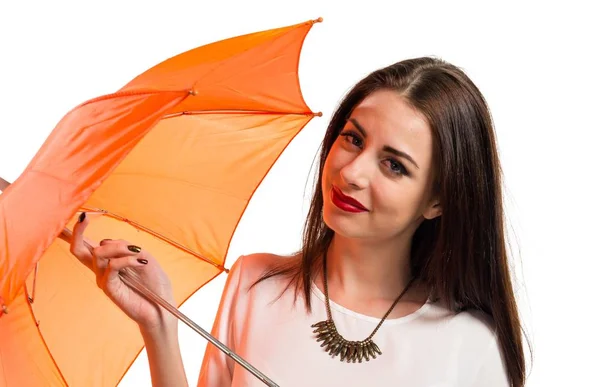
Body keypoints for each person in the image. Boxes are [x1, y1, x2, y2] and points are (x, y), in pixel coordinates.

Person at [70, 57, 527, 386]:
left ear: (438, 201)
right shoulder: (255, 283)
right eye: (353, 139)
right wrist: (158, 327)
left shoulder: (469, 347)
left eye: (394, 165)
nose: (351, 172)